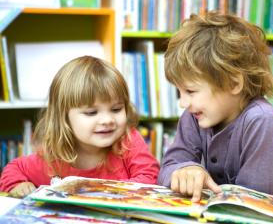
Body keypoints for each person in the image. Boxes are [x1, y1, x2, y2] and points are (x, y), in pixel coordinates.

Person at [157, 11, 273, 202]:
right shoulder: (194, 115)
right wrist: (185, 170)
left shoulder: (261, 121)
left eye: (191, 91)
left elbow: (256, 203)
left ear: (234, 83)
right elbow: (168, 168)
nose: (183, 103)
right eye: (179, 92)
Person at [0, 56, 159, 197]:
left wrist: (109, 194)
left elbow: (150, 176)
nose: (107, 120)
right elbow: (14, 169)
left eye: (116, 109)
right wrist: (18, 185)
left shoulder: (128, 140)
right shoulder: (55, 155)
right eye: (91, 113)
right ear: (64, 118)